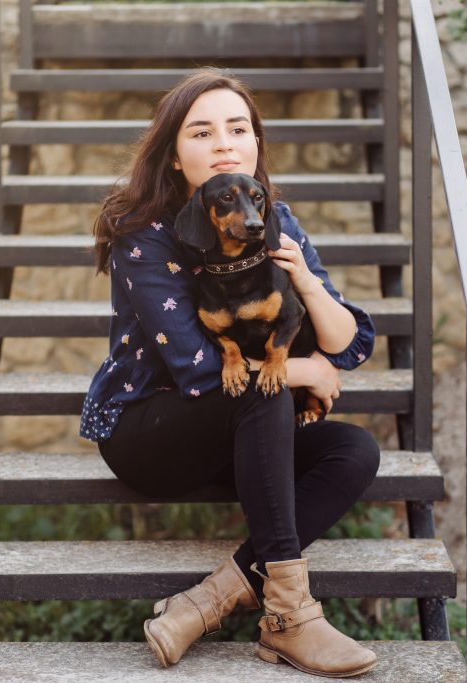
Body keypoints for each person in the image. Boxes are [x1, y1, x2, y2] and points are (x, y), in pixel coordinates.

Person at [80, 68, 381, 678]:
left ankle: (205, 602)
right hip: (147, 432)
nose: (223, 143)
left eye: (237, 128)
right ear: (172, 156)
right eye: (201, 132)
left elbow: (350, 345)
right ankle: (291, 619)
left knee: (354, 449)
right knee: (258, 384)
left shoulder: (272, 222)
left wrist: (303, 280)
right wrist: (302, 371)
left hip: (239, 433)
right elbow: (197, 368)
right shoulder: (145, 237)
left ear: (255, 145)